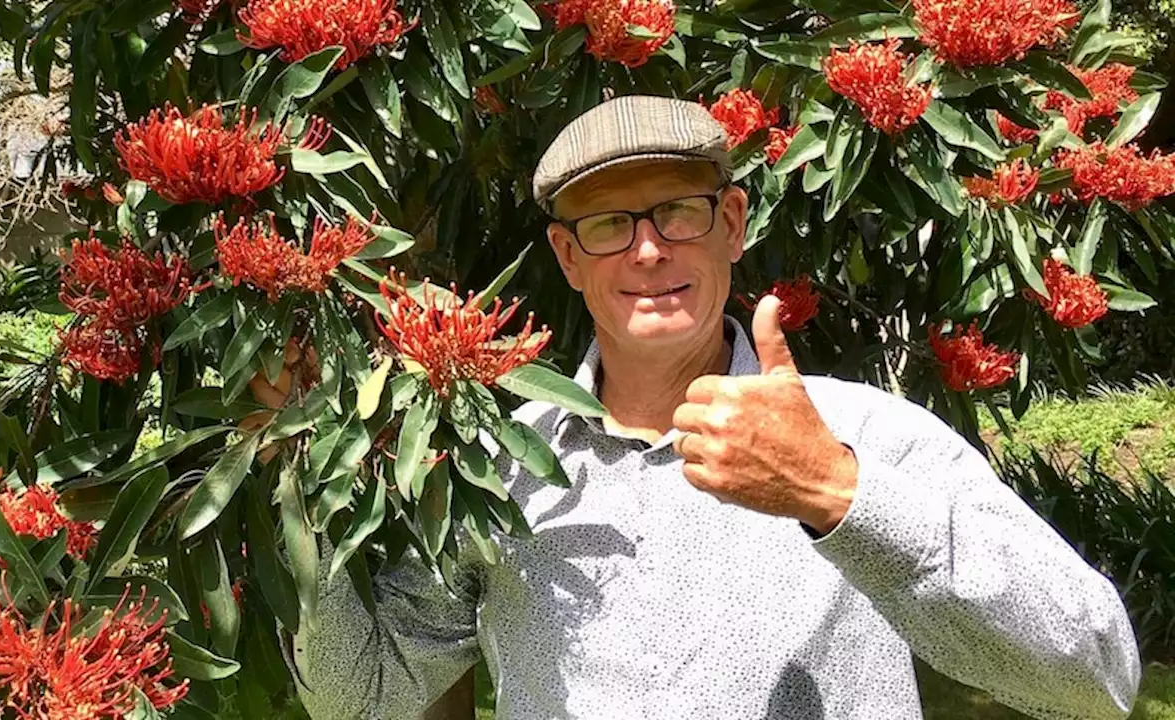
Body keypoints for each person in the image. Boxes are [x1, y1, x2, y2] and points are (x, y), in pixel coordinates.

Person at [278, 94, 1141, 719]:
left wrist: (838, 495)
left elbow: (1097, 677)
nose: (649, 250)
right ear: (569, 258)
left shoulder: (869, 438)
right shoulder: (492, 461)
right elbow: (370, 701)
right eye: (609, 224)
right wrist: (295, 471)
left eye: (679, 212)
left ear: (732, 221)